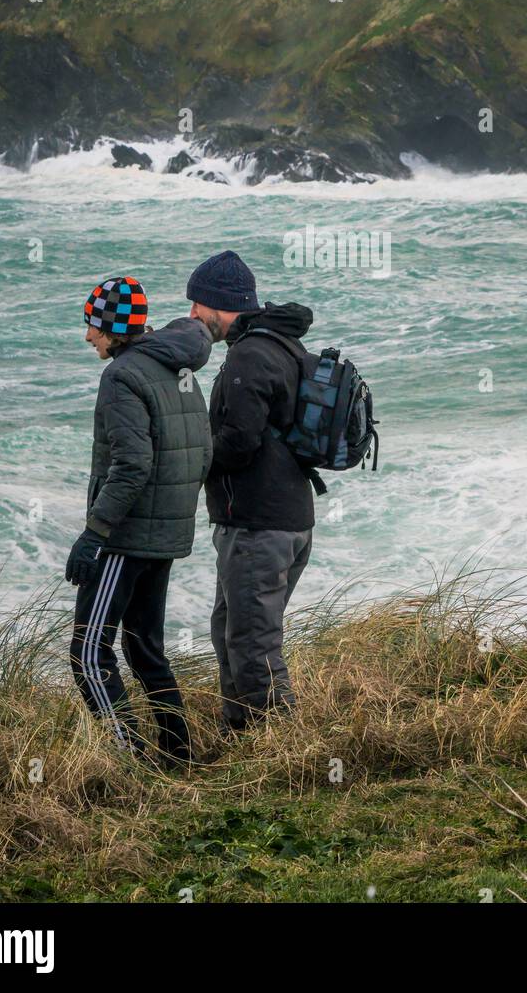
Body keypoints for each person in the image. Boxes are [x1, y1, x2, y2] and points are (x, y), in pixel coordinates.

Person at [66, 275, 212, 768]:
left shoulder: (122, 375)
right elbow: (203, 451)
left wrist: (95, 534)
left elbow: (131, 465)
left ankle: (131, 764)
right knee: (145, 649)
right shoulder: (178, 369)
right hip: (166, 535)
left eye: (93, 327)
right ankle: (178, 756)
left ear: (112, 328)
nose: (88, 337)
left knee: (88, 654)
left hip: (126, 538)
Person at [186, 251, 315, 732]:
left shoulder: (248, 354)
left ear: (220, 305)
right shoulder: (282, 345)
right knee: (231, 631)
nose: (193, 315)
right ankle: (237, 733)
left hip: (259, 525)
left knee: (254, 643)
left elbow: (239, 442)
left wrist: (190, 458)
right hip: (287, 518)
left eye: (198, 304)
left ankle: (281, 751)